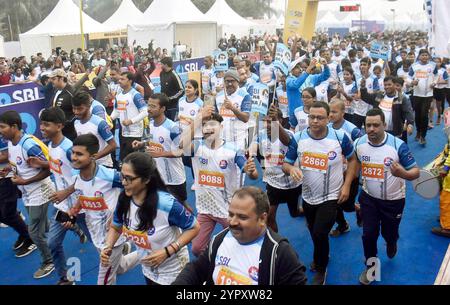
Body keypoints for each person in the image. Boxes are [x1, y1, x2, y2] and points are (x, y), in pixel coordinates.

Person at [283, 101, 358, 285]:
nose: (315, 121)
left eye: (320, 117)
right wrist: (291, 169)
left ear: (328, 118)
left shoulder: (340, 137)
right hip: (308, 196)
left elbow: (353, 159)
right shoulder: (298, 138)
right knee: (314, 231)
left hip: (331, 196)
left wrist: (347, 185)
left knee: (319, 233)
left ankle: (321, 268)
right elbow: (286, 163)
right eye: (312, 117)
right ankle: (322, 253)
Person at [172, 186, 307, 285]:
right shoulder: (220, 239)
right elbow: (197, 269)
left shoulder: (280, 253)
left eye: (242, 217)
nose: (232, 222)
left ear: (262, 219)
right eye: (231, 214)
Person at [103, 152, 200, 285]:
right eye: (122, 176)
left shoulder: (166, 204)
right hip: (148, 269)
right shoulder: (124, 200)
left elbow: (194, 227)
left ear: (146, 179)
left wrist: (168, 251)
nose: (123, 182)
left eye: (129, 178)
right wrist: (108, 246)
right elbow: (115, 226)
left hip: (174, 272)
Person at [179, 109, 258, 257]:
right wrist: (198, 118)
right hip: (205, 209)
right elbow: (181, 144)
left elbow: (252, 174)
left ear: (221, 127)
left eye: (212, 124)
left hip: (228, 210)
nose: (208, 128)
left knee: (240, 246)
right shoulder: (197, 147)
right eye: (204, 125)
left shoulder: (233, 149)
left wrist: (250, 170)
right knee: (196, 249)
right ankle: (215, 260)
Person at [355, 108, 419, 285]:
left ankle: (391, 242)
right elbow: (354, 162)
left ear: (384, 125)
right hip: (369, 199)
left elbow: (415, 172)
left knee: (388, 233)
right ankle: (372, 269)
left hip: (394, 201)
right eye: (368, 125)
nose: (371, 129)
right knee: (369, 234)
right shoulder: (359, 144)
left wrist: (402, 174)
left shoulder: (398, 145)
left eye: (376, 125)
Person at [68, 134, 139, 285]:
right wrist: (75, 209)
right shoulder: (75, 175)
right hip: (95, 234)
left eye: (79, 154)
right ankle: (146, 252)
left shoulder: (110, 176)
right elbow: (82, 194)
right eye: (73, 152)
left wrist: (122, 213)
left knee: (104, 281)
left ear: (93, 156)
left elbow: (137, 189)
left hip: (112, 236)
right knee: (120, 267)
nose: (73, 157)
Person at [37, 108, 90, 285]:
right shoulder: (51, 146)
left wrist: (65, 192)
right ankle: (65, 278)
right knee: (52, 243)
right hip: (62, 207)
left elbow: (84, 176)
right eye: (41, 123)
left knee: (98, 244)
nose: (42, 127)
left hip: (79, 206)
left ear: (59, 126)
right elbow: (58, 168)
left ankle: (119, 255)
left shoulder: (69, 149)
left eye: (46, 124)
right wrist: (41, 163)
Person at [0, 111, 55, 279]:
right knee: (42, 226)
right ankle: (72, 224)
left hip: (40, 191)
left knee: (35, 232)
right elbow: (18, 162)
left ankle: (49, 261)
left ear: (14, 127)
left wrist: (25, 181)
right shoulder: (11, 142)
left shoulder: (28, 145)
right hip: (28, 193)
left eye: (2, 127)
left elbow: (49, 168)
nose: (0, 131)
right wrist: (10, 169)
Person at [250, 105, 303, 232]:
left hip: (292, 184)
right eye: (267, 121)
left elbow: (287, 142)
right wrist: (250, 155)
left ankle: (308, 211)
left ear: (281, 121)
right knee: (269, 217)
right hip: (273, 184)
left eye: (272, 121)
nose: (269, 125)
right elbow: (253, 147)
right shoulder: (261, 135)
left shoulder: (290, 134)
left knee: (295, 213)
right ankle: (276, 243)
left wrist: (276, 126)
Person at [132, 93, 189, 209]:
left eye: (153, 106)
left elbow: (182, 151)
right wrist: (142, 144)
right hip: (158, 175)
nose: (149, 109)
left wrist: (160, 154)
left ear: (163, 109)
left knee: (181, 207)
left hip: (175, 178)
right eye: (148, 105)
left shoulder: (173, 128)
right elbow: (154, 141)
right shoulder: (151, 124)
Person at [328, 98, 364, 234]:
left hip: (350, 173)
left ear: (343, 112)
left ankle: (359, 208)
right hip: (334, 173)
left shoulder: (352, 130)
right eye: (329, 111)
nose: (331, 115)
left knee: (347, 205)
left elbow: (362, 148)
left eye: (334, 112)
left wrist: (356, 170)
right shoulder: (327, 127)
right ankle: (343, 225)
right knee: (333, 202)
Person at [0, 134, 35, 258]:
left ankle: (31, 239)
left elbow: (8, 155)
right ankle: (24, 231)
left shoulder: (6, 135)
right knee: (2, 215)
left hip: (7, 178)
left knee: (8, 213)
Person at [110, 72, 148, 163]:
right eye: (119, 79)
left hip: (135, 133)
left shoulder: (135, 95)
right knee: (124, 159)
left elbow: (145, 112)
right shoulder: (118, 96)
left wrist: (131, 121)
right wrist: (109, 119)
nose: (119, 81)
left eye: (122, 79)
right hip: (123, 133)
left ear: (130, 81)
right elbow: (116, 111)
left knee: (131, 161)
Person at [72, 91, 116, 167]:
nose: (76, 112)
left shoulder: (100, 123)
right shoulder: (76, 123)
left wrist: (94, 158)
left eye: (80, 109)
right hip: (87, 166)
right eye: (74, 108)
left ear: (89, 106)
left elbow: (113, 145)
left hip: (103, 164)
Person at [215, 68, 252, 151]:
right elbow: (216, 117)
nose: (230, 84)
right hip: (223, 139)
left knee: (239, 163)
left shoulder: (245, 96)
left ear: (238, 81)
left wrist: (232, 108)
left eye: (232, 81)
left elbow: (246, 118)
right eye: (227, 81)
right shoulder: (219, 96)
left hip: (239, 139)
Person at [408, 49, 438, 145]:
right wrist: (412, 82)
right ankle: (418, 131)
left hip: (428, 94)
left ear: (428, 56)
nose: (424, 57)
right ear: (419, 56)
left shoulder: (433, 65)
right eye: (423, 55)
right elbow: (409, 77)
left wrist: (434, 83)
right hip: (416, 94)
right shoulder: (414, 66)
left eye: (426, 55)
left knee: (424, 115)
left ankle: (423, 136)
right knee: (417, 114)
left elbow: (436, 75)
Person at [50, 69, 76, 140]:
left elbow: (78, 111)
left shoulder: (71, 92)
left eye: (54, 79)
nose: (51, 81)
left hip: (70, 132)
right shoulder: (56, 90)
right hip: (58, 131)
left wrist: (66, 123)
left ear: (61, 78)